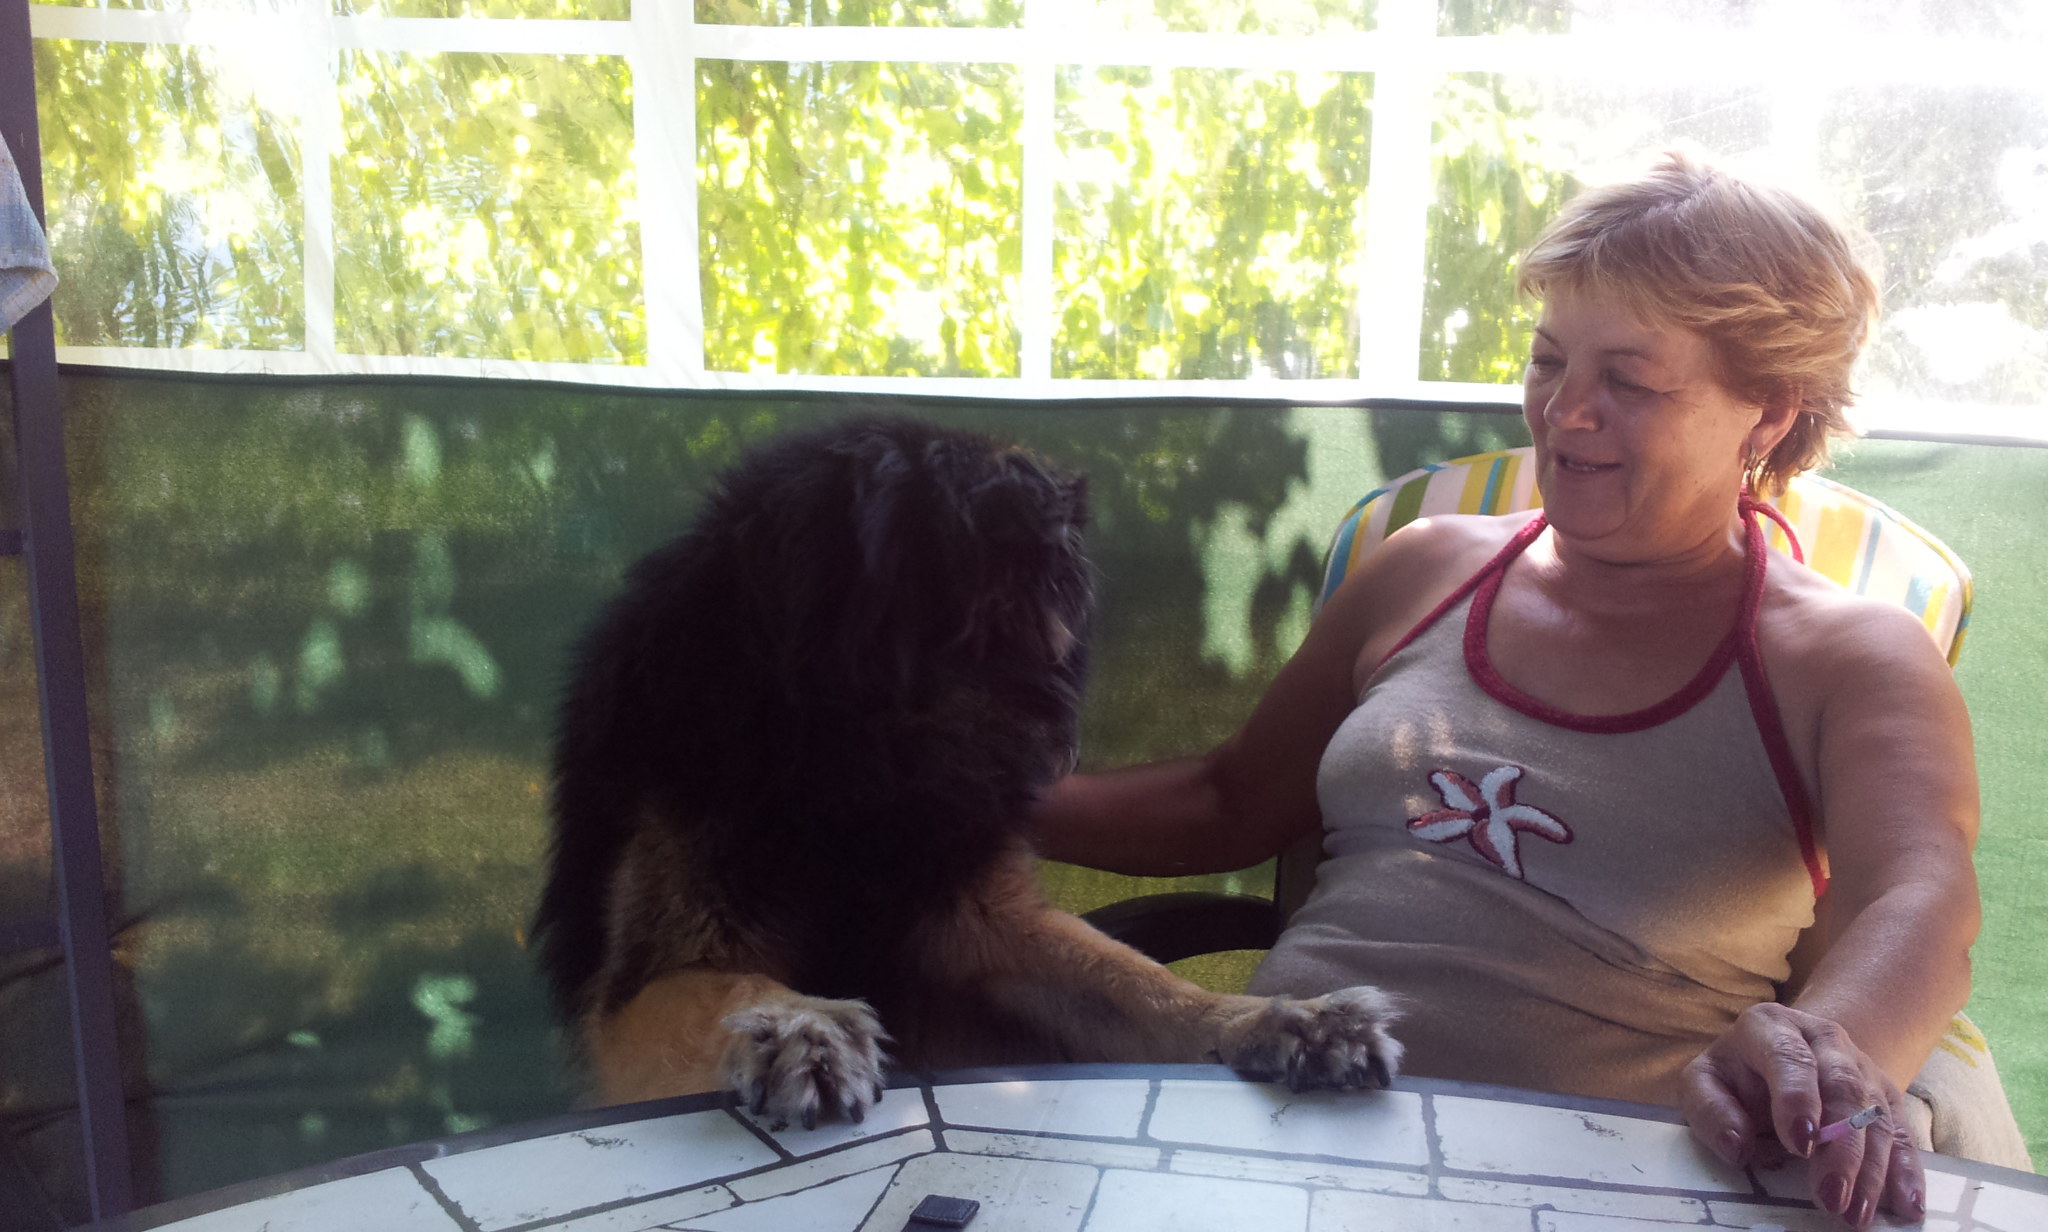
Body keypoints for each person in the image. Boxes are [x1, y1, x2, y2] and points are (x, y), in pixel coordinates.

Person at [1034, 152, 1985, 1231]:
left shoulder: (1847, 656)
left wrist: (1830, 1042)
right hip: (1274, 1148)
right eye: (1547, 360)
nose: (1564, 412)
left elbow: (1919, 894)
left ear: (1765, 413)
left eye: (1629, 380)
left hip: (1600, 1191)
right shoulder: (1422, 567)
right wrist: (960, 792)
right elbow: (1226, 800)